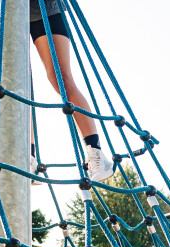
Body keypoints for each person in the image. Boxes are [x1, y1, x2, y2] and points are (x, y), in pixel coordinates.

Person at [30, 0, 113, 181]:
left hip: (43, 8)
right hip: (2, 11)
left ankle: (95, 151)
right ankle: (28, 156)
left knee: (61, 79)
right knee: (16, 84)